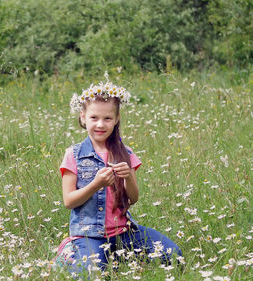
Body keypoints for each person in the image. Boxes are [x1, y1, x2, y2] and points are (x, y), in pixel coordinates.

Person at [56, 80, 182, 278]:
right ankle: (71, 252)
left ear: (116, 119)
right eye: (94, 117)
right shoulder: (74, 154)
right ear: (83, 117)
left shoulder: (125, 153)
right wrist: (95, 184)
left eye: (107, 118)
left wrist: (129, 177)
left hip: (124, 232)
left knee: (174, 256)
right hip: (89, 234)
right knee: (91, 274)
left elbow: (133, 198)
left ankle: (114, 255)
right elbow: (68, 201)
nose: (100, 124)